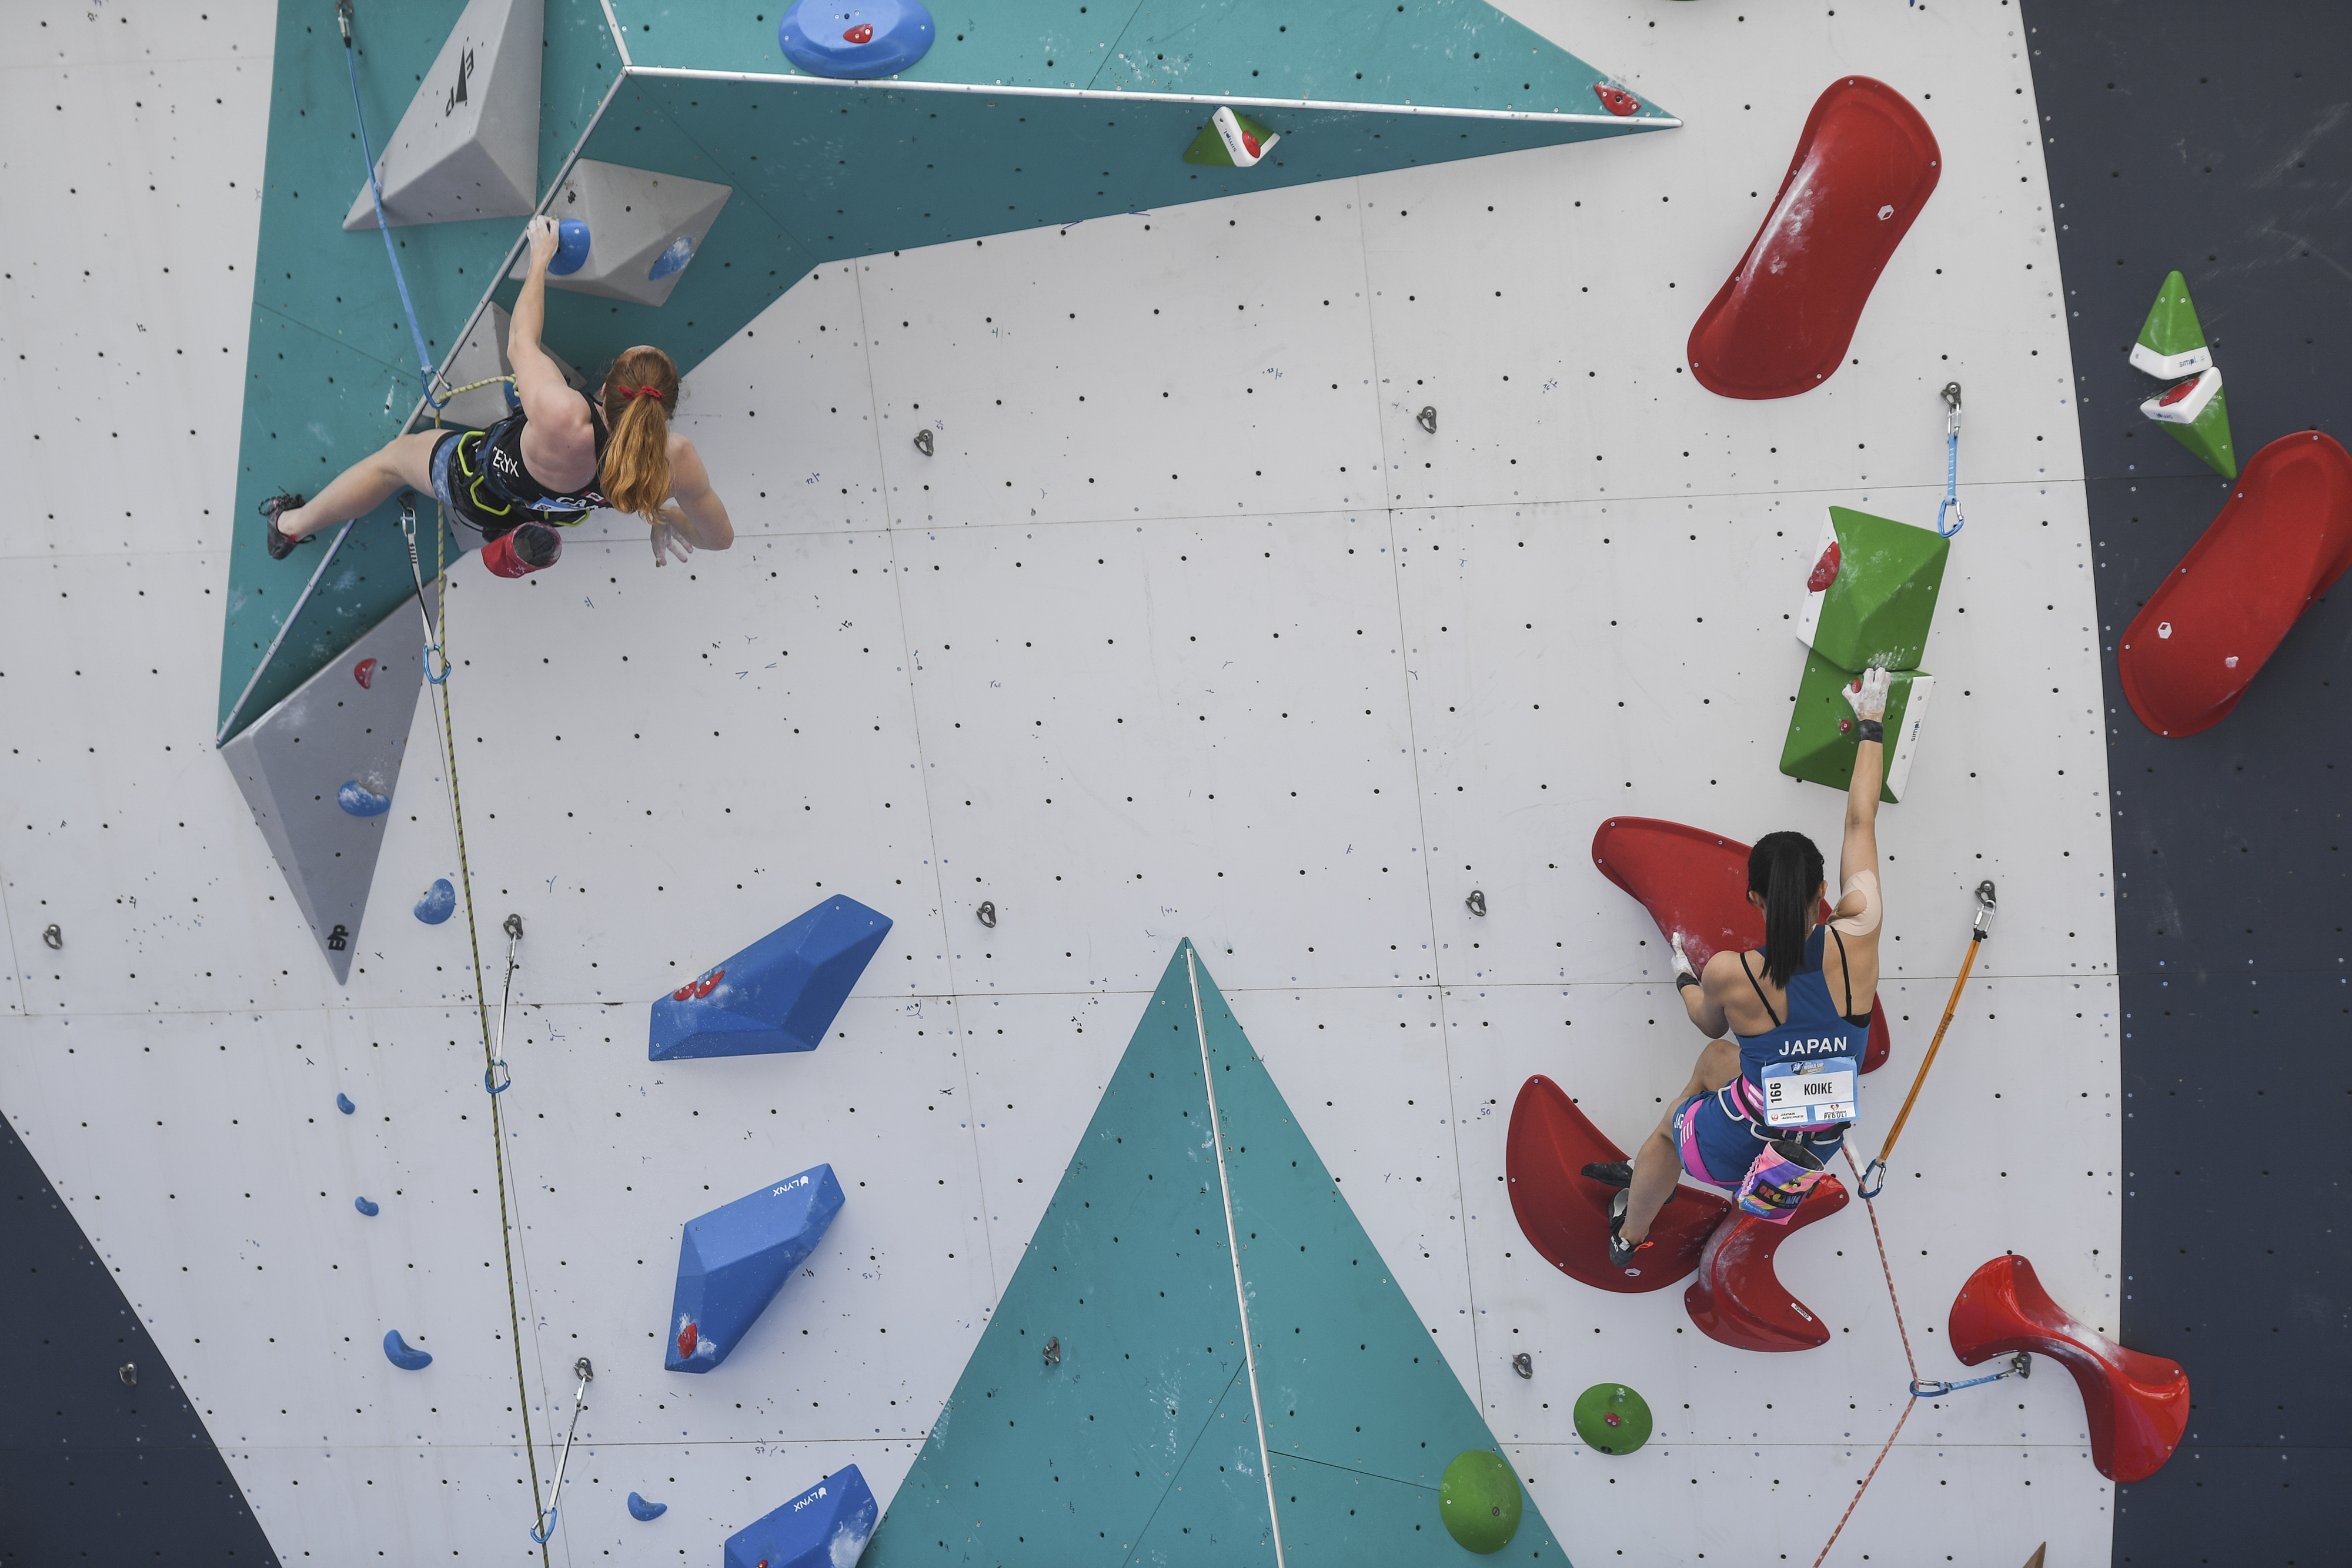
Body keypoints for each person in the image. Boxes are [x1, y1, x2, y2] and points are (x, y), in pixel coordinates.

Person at [1591, 668, 1892, 1265]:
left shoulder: (1731, 972)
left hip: (1746, 1144)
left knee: (1668, 1131)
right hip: (1815, 1143)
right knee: (1713, 1065)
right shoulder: (1859, 934)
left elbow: (1705, 1020)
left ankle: (1629, 1235)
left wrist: (1684, 977)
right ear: (1824, 890)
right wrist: (1871, 725)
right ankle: (1678, 1146)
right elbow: (1861, 822)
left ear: (1754, 899)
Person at [258, 215, 733, 572]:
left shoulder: (562, 412)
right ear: (662, 410)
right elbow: (719, 539)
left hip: (482, 488)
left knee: (392, 461)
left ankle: (289, 527)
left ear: (607, 388)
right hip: (556, 510)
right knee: (543, 505)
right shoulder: (676, 459)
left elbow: (520, 340)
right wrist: (667, 516)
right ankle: (521, 541)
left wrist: (540, 257)